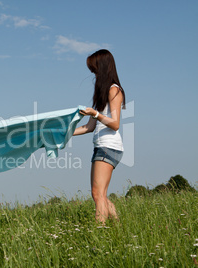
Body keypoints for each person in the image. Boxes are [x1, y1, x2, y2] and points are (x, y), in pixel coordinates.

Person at [73, 49, 126, 224]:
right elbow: (89, 127)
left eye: (94, 69)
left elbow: (115, 123)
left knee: (98, 194)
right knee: (99, 194)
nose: (93, 74)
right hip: (101, 146)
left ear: (102, 68)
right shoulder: (102, 94)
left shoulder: (114, 90)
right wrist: (66, 134)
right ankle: (118, 227)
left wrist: (95, 113)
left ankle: (100, 233)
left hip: (109, 146)